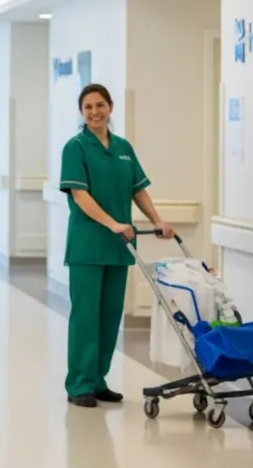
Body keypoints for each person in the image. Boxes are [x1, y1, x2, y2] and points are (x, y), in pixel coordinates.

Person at [58, 83, 173, 409]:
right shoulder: (75, 148)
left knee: (109, 317)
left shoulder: (123, 148)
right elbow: (80, 196)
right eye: (88, 107)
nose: (94, 112)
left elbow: (139, 190)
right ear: (82, 113)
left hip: (120, 247)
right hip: (88, 247)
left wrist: (157, 220)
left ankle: (97, 380)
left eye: (99, 105)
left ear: (110, 107)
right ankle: (79, 383)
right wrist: (112, 224)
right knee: (85, 318)